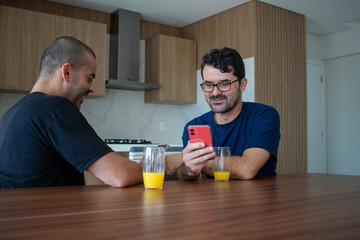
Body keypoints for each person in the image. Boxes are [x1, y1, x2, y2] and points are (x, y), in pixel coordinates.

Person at [0, 36, 142, 188]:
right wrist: (153, 168)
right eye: (89, 78)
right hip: (51, 211)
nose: (92, 88)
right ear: (67, 72)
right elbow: (120, 175)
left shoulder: (12, 113)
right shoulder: (53, 108)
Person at [166, 47, 280, 181]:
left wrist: (181, 160)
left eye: (224, 84)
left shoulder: (263, 115)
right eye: (208, 85)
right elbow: (188, 173)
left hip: (254, 199)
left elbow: (246, 169)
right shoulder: (194, 125)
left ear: (242, 84)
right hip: (211, 200)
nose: (215, 93)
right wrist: (188, 167)